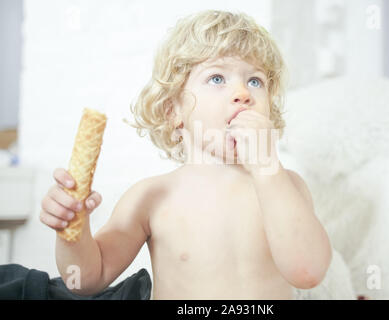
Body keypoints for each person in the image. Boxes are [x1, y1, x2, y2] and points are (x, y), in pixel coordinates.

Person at [39, 10, 332, 299]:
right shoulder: (152, 196)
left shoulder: (285, 187)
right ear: (173, 111)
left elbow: (308, 273)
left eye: (255, 81)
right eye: (217, 78)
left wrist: (268, 167)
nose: (243, 93)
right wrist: (72, 232)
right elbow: (87, 279)